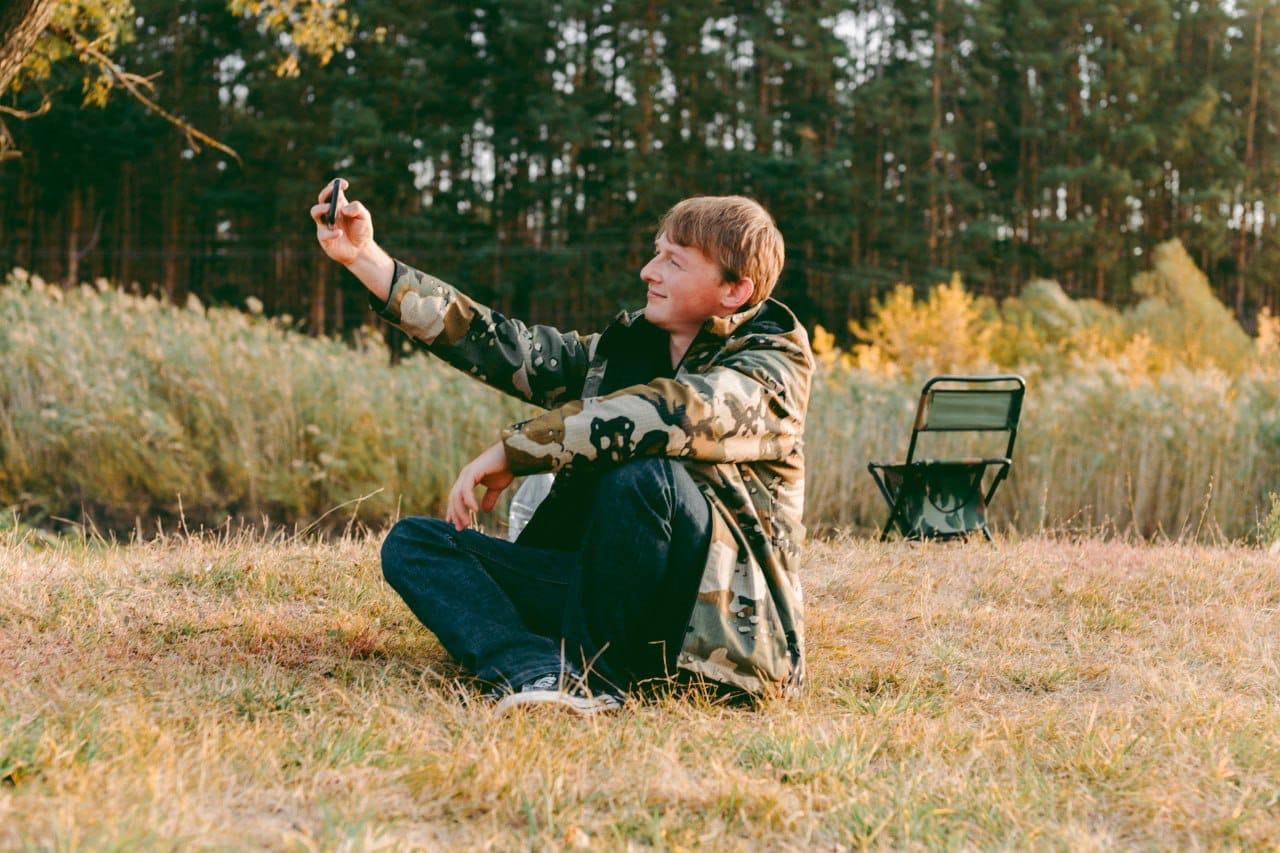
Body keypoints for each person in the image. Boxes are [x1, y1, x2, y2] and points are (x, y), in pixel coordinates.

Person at [311, 182, 814, 715]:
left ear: (734, 290)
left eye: (674, 261)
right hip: (602, 597)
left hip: (711, 629)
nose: (649, 271)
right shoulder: (627, 350)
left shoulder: (772, 366)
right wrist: (366, 259)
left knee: (646, 475)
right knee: (416, 544)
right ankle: (536, 669)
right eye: (656, 253)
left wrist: (519, 448)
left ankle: (596, 679)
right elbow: (502, 344)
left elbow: (674, 413)